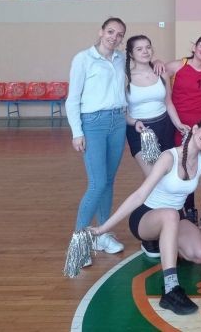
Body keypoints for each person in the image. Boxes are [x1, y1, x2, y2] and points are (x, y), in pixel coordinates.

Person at [89, 119, 201, 316]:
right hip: (146, 216)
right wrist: (103, 228)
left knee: (200, 254)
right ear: (195, 129)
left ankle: (162, 242)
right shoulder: (169, 157)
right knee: (171, 215)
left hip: (174, 218)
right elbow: (139, 195)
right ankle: (170, 289)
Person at [66, 17, 129, 256]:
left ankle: (102, 234)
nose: (114, 37)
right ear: (101, 31)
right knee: (97, 183)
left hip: (118, 122)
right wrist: (77, 132)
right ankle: (79, 242)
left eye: (119, 34)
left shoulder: (121, 58)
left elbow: (143, 63)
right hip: (93, 123)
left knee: (109, 181)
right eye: (110, 31)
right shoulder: (83, 59)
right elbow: (73, 98)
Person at [165, 36, 201, 229]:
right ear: (194, 47)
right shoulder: (176, 66)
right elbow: (154, 73)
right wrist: (156, 62)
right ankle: (189, 209)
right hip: (181, 127)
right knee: (185, 166)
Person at [124, 35, 188, 178]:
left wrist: (178, 124)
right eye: (139, 49)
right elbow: (122, 112)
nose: (145, 51)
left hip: (165, 127)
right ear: (131, 54)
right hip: (140, 130)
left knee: (169, 174)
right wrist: (134, 122)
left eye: (148, 47)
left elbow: (168, 102)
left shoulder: (161, 71)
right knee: (154, 177)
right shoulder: (125, 77)